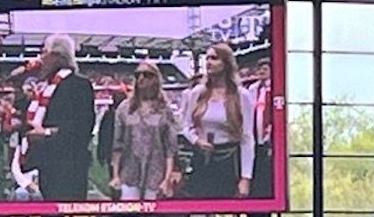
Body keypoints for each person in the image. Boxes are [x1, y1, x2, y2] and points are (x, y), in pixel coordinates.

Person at [21, 33, 95, 200]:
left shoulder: (79, 85)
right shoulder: (45, 87)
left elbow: (83, 127)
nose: (41, 58)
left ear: (57, 56)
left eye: (44, 52)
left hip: (69, 167)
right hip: (47, 166)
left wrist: (47, 133)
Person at [181, 41, 255, 198]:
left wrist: (245, 178)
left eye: (214, 58)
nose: (208, 62)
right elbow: (186, 126)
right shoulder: (198, 92)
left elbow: (247, 138)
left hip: (228, 161)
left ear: (226, 63)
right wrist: (196, 140)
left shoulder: (241, 96)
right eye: (207, 58)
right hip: (202, 160)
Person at [110, 61, 179, 201]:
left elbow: (170, 149)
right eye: (138, 75)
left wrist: (167, 178)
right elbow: (117, 145)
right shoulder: (124, 109)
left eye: (147, 75)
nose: (141, 78)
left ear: (155, 79)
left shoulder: (164, 110)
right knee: (130, 214)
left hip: (156, 172)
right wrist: (115, 175)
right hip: (129, 171)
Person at [249, 57, 275, 198]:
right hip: (253, 133)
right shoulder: (252, 88)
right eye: (259, 69)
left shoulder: (275, 88)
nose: (261, 72)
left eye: (265, 69)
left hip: (267, 132)